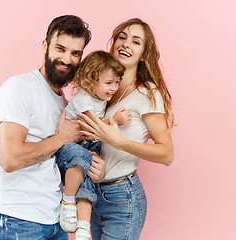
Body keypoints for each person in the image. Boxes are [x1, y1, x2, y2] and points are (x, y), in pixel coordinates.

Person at [0, 15, 104, 240]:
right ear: (45, 46)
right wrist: (61, 138)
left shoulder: (64, 104)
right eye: (60, 48)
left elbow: (59, 164)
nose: (66, 59)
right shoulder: (19, 88)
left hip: (57, 220)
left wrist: (91, 167)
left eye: (75, 53)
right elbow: (10, 159)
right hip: (20, 219)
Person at [78, 18, 175, 240]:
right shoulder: (100, 89)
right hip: (92, 195)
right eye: (122, 38)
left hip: (122, 197)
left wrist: (118, 141)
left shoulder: (148, 94)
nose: (126, 44)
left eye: (135, 41)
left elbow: (167, 154)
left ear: (143, 54)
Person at [54, 50, 128, 240]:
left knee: (87, 186)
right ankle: (68, 201)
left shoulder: (100, 99)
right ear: (90, 79)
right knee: (80, 160)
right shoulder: (83, 99)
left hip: (88, 147)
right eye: (108, 83)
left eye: (117, 82)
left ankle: (83, 228)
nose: (113, 88)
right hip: (71, 146)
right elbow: (92, 128)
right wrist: (115, 120)